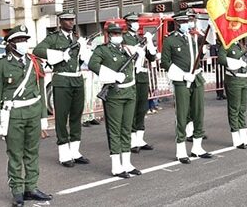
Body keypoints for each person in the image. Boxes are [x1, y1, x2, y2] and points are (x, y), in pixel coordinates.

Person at [0, 25, 52, 207]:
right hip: (13, 114)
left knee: (32, 153)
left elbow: (40, 91)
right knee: (15, 154)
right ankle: (17, 190)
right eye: (18, 40)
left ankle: (31, 187)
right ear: (10, 44)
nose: (23, 43)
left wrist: (42, 116)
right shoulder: (0, 64)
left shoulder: (35, 62)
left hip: (33, 112)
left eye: (25, 40)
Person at [33, 9, 90, 167]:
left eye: (72, 19)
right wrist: (58, 55)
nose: (71, 22)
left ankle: (75, 151)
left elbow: (81, 61)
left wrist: (84, 52)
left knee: (76, 116)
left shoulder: (76, 38)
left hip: (77, 80)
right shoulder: (53, 38)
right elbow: (37, 50)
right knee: (61, 118)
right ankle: (64, 154)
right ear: (60, 22)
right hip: (62, 80)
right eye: (67, 20)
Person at [88, 22, 141, 178]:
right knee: (115, 130)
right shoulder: (102, 50)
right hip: (114, 95)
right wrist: (112, 76)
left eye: (120, 33)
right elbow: (92, 64)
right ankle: (116, 165)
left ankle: (127, 162)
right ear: (109, 35)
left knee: (126, 129)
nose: (118, 36)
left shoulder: (126, 49)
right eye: (115, 34)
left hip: (130, 92)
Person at [160, 10, 212, 164]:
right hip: (181, 80)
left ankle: (197, 147)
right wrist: (182, 75)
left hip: (196, 78)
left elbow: (201, 53)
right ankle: (181, 150)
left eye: (188, 21)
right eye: (183, 22)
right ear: (177, 24)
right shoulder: (170, 40)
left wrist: (210, 29)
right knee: (182, 115)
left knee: (198, 112)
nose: (186, 24)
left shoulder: (194, 37)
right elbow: (165, 62)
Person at [123, 12, 157, 153]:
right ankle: (130, 140)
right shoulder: (124, 38)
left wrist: (149, 42)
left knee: (142, 107)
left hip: (142, 76)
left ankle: (139, 138)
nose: (136, 24)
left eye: (136, 21)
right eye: (133, 21)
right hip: (132, 76)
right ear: (128, 23)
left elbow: (152, 57)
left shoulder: (140, 38)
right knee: (132, 107)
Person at [218, 38, 247, 149]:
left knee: (243, 108)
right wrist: (236, 63)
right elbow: (221, 59)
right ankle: (236, 137)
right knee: (234, 108)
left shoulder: (241, 46)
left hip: (244, 79)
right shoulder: (226, 45)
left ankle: (244, 136)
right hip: (233, 80)